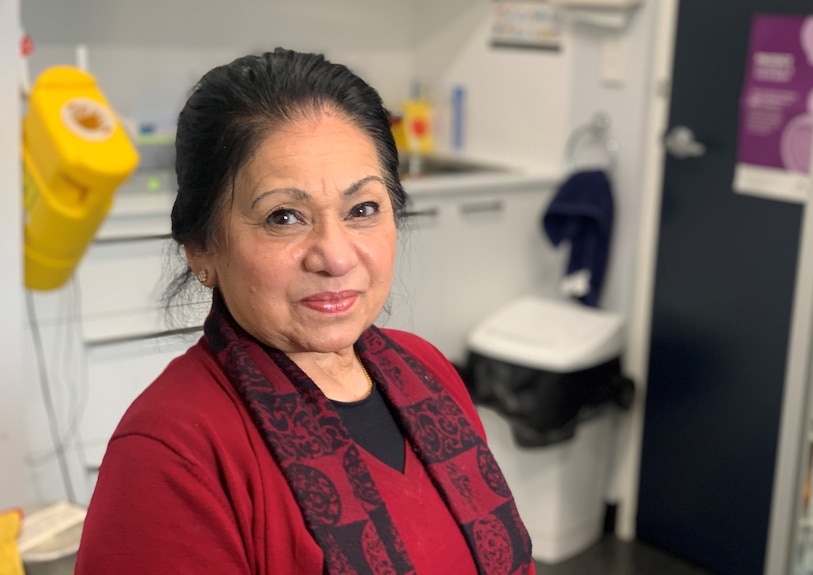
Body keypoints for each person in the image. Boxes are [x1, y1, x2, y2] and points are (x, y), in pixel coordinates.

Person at [75, 48, 534, 574]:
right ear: (203, 248)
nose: (336, 256)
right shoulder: (173, 455)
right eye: (284, 217)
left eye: (362, 209)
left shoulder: (426, 371)